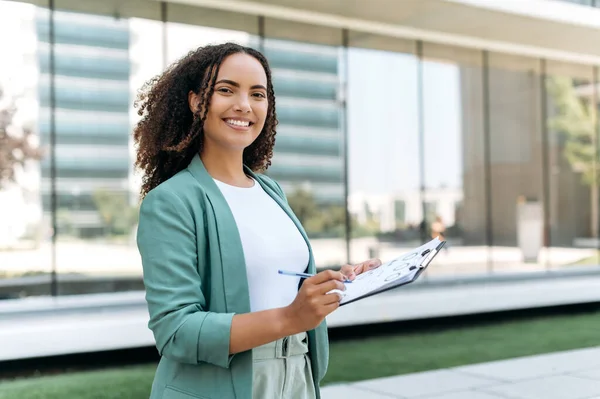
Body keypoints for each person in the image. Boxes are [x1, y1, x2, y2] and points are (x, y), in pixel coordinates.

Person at [133, 42, 381, 399]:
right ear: (194, 101)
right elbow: (177, 331)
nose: (244, 105)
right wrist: (291, 318)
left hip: (297, 375)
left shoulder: (270, 190)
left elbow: (276, 282)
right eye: (225, 90)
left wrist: (338, 283)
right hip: (220, 386)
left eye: (257, 94)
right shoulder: (171, 202)